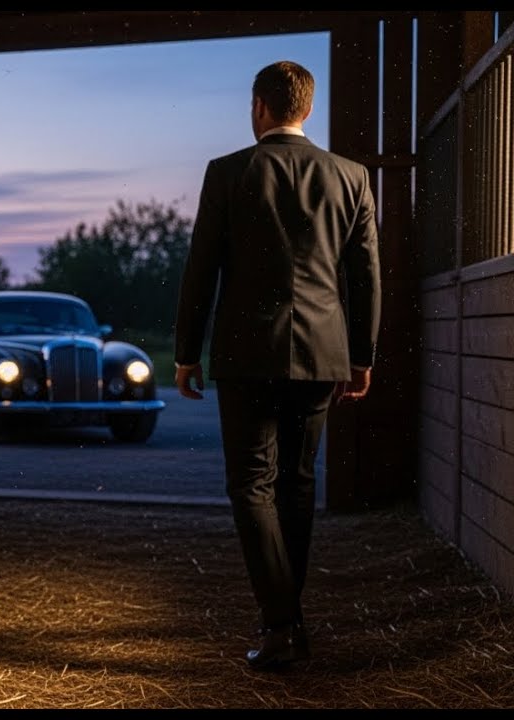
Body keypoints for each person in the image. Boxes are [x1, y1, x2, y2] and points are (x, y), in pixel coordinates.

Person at [172, 60, 381, 671]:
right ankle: (289, 621)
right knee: (297, 481)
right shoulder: (350, 176)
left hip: (246, 353)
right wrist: (361, 355)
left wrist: (187, 351)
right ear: (306, 109)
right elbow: (365, 274)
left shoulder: (229, 172)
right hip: (323, 351)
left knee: (250, 485)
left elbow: (201, 267)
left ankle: (281, 624)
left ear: (259, 106)